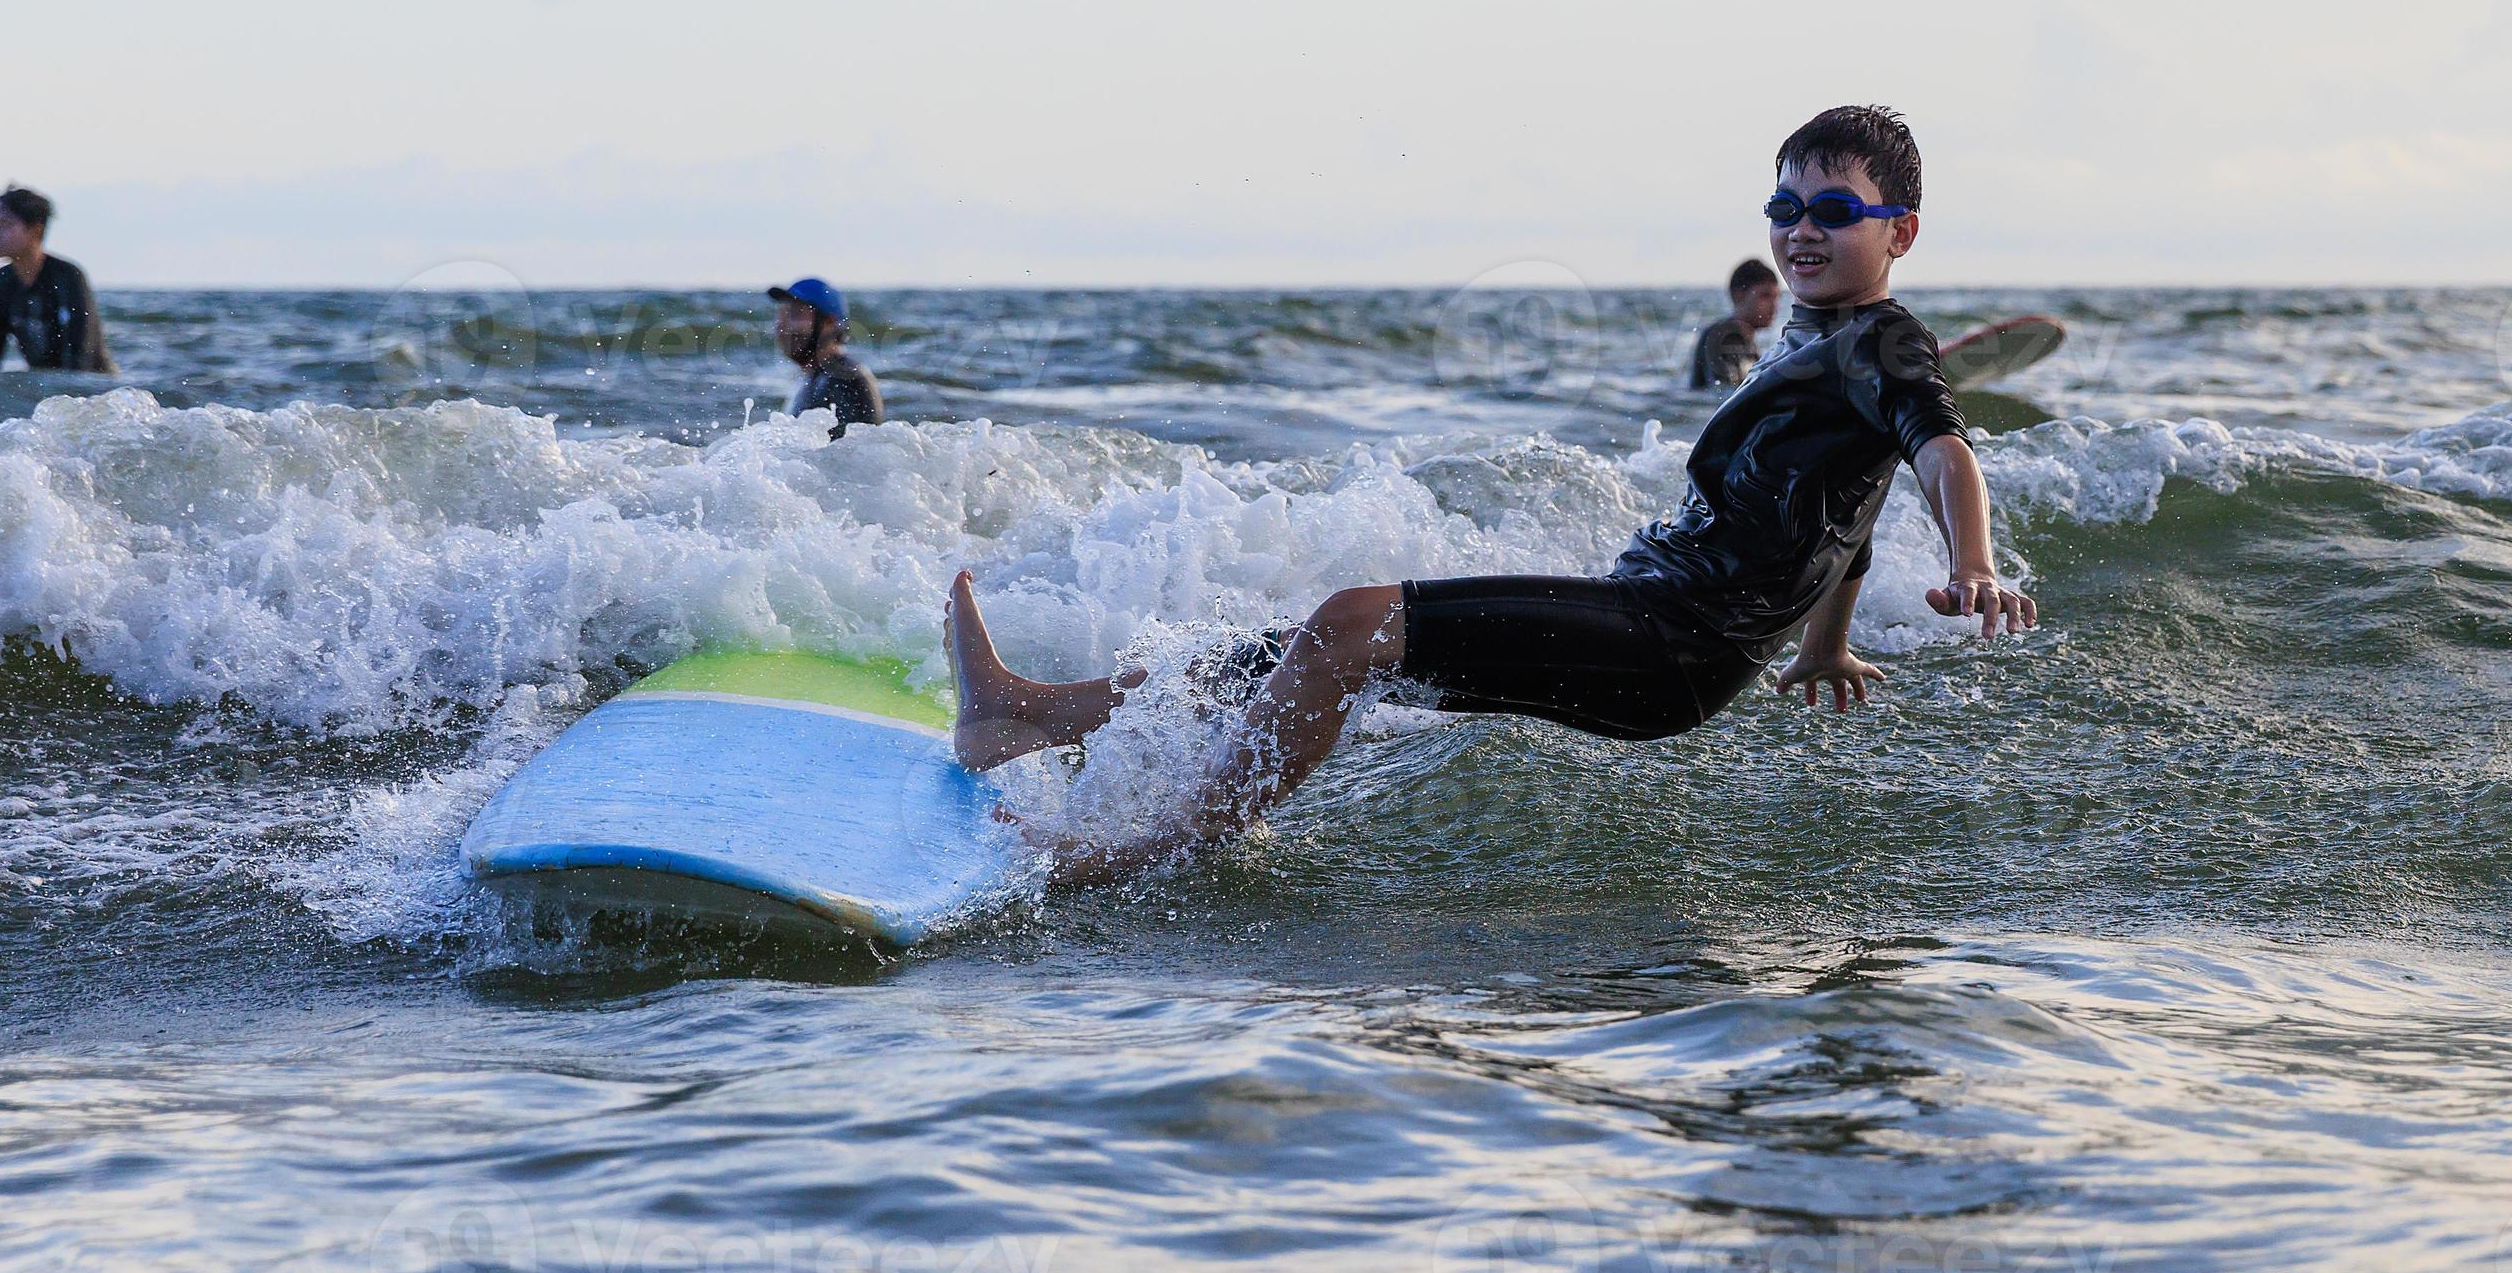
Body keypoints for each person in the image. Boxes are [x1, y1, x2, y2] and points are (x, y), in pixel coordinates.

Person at [944, 105, 2036, 868]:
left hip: (1674, 639)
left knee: (1348, 623)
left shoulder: (1883, 347)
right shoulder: (1823, 336)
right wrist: (1819, 644)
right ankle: (1030, 715)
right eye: (1782, 206)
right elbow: (1857, 497)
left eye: (1832, 211)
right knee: (1313, 647)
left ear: (1897, 230)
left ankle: (1149, 851)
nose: (1800, 228)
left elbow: (1939, 452)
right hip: (1669, 637)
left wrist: (1972, 563)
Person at [0, 185, 115, 374]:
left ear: (35, 230)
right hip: (45, 386)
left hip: (93, 387)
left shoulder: (68, 276)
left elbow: (81, 351)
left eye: (6, 225)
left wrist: (69, 394)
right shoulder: (3, 280)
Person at [770, 277, 881, 435]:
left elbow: (845, 453)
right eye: (781, 315)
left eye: (795, 314)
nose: (782, 326)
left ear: (829, 322)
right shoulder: (818, 377)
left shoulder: (842, 378)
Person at [1688, 258, 1784, 387]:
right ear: (1739, 295)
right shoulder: (1725, 335)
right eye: (1765, 296)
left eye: (1777, 297)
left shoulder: (1740, 338)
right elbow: (1727, 392)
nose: (1774, 306)